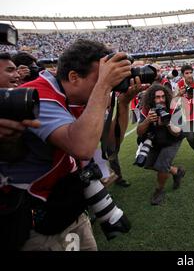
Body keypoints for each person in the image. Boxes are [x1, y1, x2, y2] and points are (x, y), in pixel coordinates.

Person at [0, 39, 142, 250]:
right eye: (99, 77)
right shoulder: (39, 96)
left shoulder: (81, 99)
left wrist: (122, 104)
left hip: (70, 210)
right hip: (38, 223)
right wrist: (103, 86)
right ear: (74, 77)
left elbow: (111, 145)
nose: (105, 84)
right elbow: (82, 148)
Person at [136, 84, 185, 205]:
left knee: (162, 165)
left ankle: (159, 191)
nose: (161, 100)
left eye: (163, 96)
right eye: (157, 97)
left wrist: (167, 123)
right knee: (146, 163)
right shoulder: (146, 109)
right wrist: (147, 121)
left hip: (172, 140)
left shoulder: (173, 108)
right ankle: (176, 171)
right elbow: (139, 132)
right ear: (152, 98)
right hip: (156, 140)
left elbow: (177, 133)